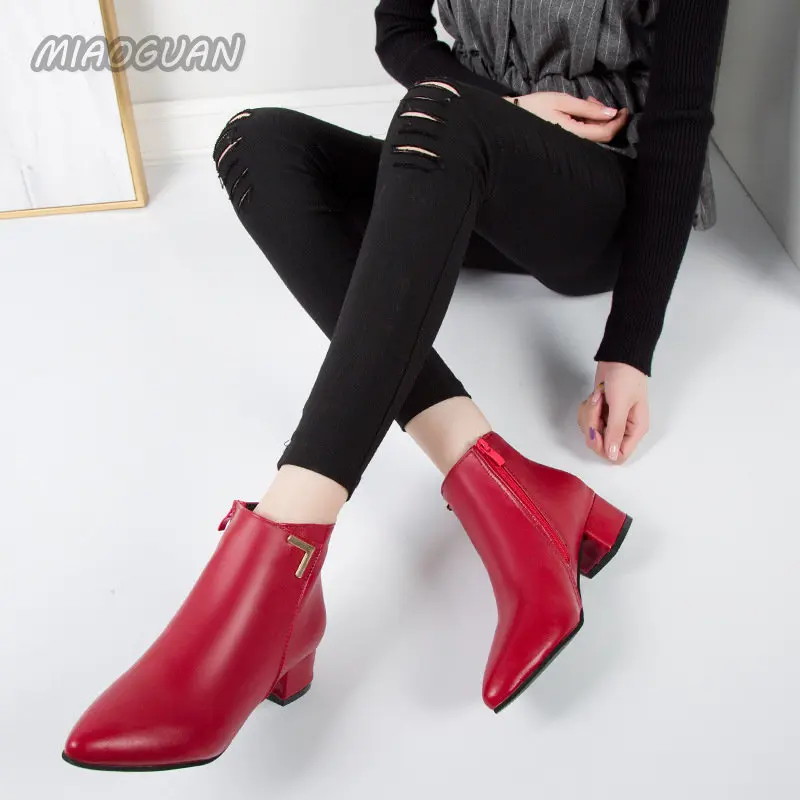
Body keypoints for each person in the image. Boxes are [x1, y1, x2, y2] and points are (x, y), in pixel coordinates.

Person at [61, 0, 730, 771]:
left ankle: (287, 543)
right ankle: (505, 488)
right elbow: (401, 30)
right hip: (462, 163)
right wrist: (507, 106)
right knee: (258, 141)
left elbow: (681, 120)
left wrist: (631, 345)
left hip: (596, 201)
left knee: (440, 113)